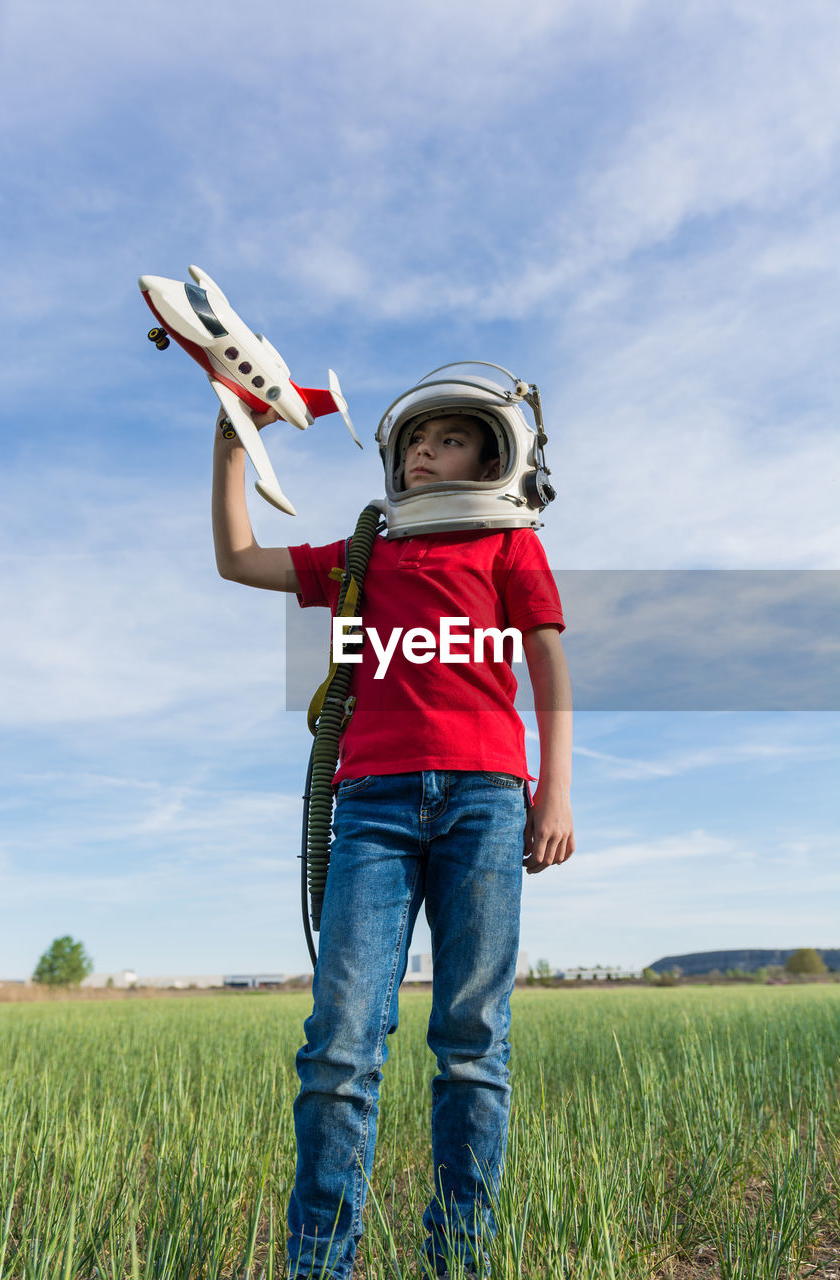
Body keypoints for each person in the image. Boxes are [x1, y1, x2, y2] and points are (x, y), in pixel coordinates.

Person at [211, 364, 575, 1280]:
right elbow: (238, 559)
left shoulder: (507, 546)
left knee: (471, 1040)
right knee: (338, 1042)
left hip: (486, 797)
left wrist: (555, 790)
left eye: (447, 438)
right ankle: (320, 1267)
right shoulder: (364, 552)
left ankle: (460, 1262)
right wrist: (231, 449)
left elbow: (548, 670)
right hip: (368, 803)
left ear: (496, 457)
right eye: (414, 440)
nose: (422, 450)